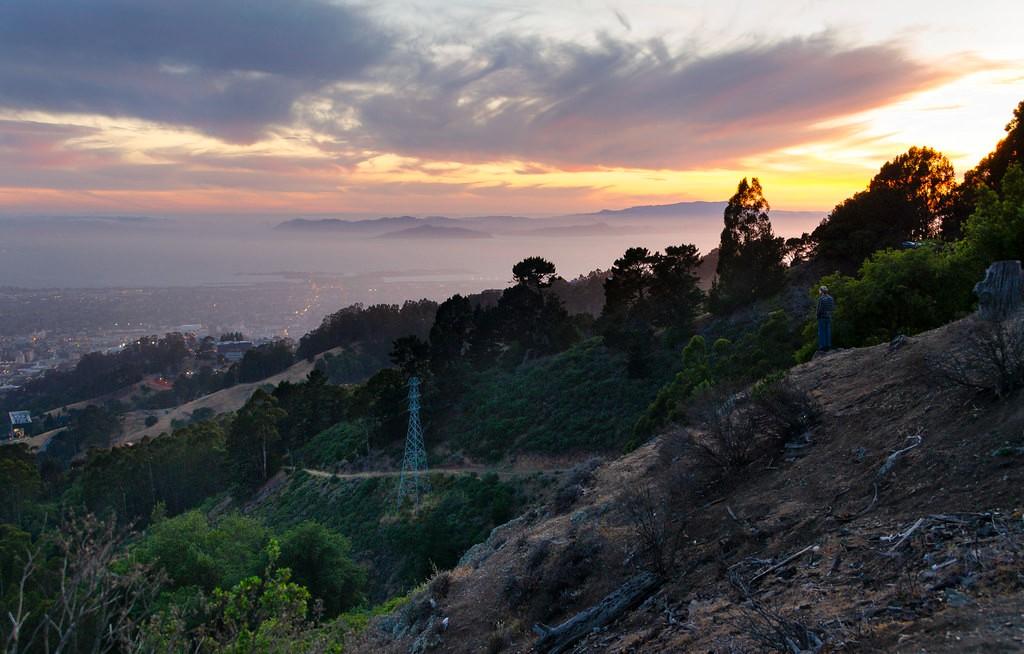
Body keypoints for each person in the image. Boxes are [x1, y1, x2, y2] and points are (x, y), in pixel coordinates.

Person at [816, 285, 835, 351]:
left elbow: (819, 309)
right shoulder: (831, 298)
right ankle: (828, 345)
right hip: (829, 317)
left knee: (821, 332)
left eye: (819, 290)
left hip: (822, 317)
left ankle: (822, 346)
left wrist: (817, 316)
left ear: (821, 291)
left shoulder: (821, 299)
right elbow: (832, 308)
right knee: (828, 331)